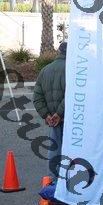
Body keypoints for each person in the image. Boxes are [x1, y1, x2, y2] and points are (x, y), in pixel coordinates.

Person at [33, 42, 67, 181]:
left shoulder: (45, 70)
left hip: (53, 120)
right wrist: (59, 114)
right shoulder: (72, 69)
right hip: (69, 118)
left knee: (54, 150)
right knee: (71, 151)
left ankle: (53, 181)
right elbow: (72, 95)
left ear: (59, 51)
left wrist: (47, 115)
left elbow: (37, 97)